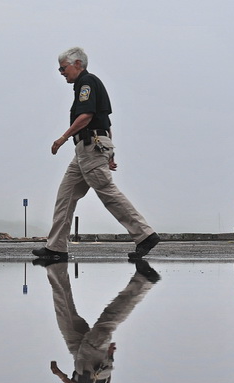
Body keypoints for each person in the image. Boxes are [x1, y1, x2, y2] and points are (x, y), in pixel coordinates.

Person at [33, 47, 159, 262]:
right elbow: (106, 122)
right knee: (66, 195)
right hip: (88, 148)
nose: (61, 72)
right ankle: (56, 247)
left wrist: (62, 139)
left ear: (77, 64)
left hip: (90, 147)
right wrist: (110, 152)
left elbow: (87, 116)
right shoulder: (87, 84)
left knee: (107, 192)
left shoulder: (87, 82)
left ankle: (145, 235)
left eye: (63, 68)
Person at [43, 258, 159, 383]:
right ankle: (144, 281)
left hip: (86, 365)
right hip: (90, 368)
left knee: (65, 316)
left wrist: (109, 358)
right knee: (107, 321)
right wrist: (61, 377)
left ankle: (55, 269)